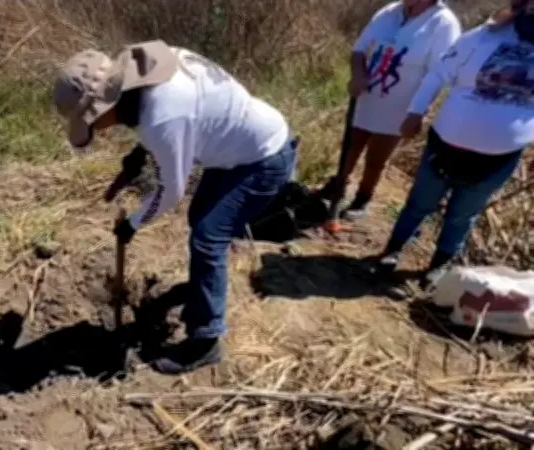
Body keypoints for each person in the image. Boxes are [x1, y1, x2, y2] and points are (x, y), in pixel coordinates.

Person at [52, 41, 297, 374]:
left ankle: (205, 340)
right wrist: (137, 158)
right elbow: (170, 120)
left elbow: (171, 191)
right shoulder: (145, 73)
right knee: (201, 219)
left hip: (263, 159)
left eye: (92, 122)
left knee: (207, 238)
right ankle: (203, 287)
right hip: (236, 146)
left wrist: (132, 224)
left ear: (102, 108)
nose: (98, 129)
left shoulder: (163, 116)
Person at [375, 0, 534, 289]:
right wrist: (415, 112)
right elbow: (439, 73)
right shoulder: (485, 35)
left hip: (499, 157)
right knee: (419, 204)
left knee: (463, 215)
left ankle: (439, 266)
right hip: (446, 145)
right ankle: (392, 251)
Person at [319, 0, 461, 220]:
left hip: (400, 104)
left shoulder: (443, 23)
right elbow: (359, 50)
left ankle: (363, 197)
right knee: (350, 146)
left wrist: (418, 111)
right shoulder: (389, 12)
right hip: (365, 96)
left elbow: (437, 75)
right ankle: (337, 186)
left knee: (377, 158)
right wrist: (358, 75)